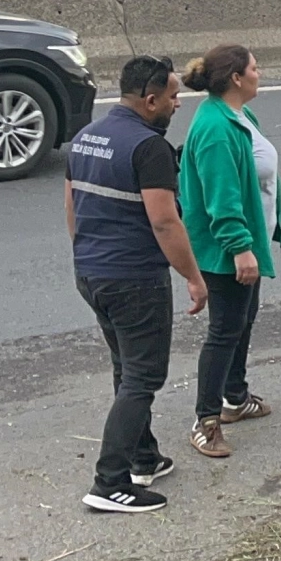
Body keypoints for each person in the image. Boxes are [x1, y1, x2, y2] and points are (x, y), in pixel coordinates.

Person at [66, 55, 208, 513]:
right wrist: (193, 277)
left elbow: (72, 205)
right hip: (134, 279)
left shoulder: (86, 137)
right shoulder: (149, 148)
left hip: (91, 271)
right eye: (172, 96)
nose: (177, 104)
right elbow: (165, 222)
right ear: (150, 100)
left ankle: (143, 456)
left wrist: (88, 254)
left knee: (126, 367)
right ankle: (109, 482)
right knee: (144, 376)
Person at [180, 45, 281, 459]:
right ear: (237, 78)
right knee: (224, 331)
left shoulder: (238, 116)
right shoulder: (216, 129)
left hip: (246, 242)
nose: (260, 73)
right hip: (224, 250)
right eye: (255, 68)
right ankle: (205, 421)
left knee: (242, 321)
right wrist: (240, 247)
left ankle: (234, 398)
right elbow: (220, 197)